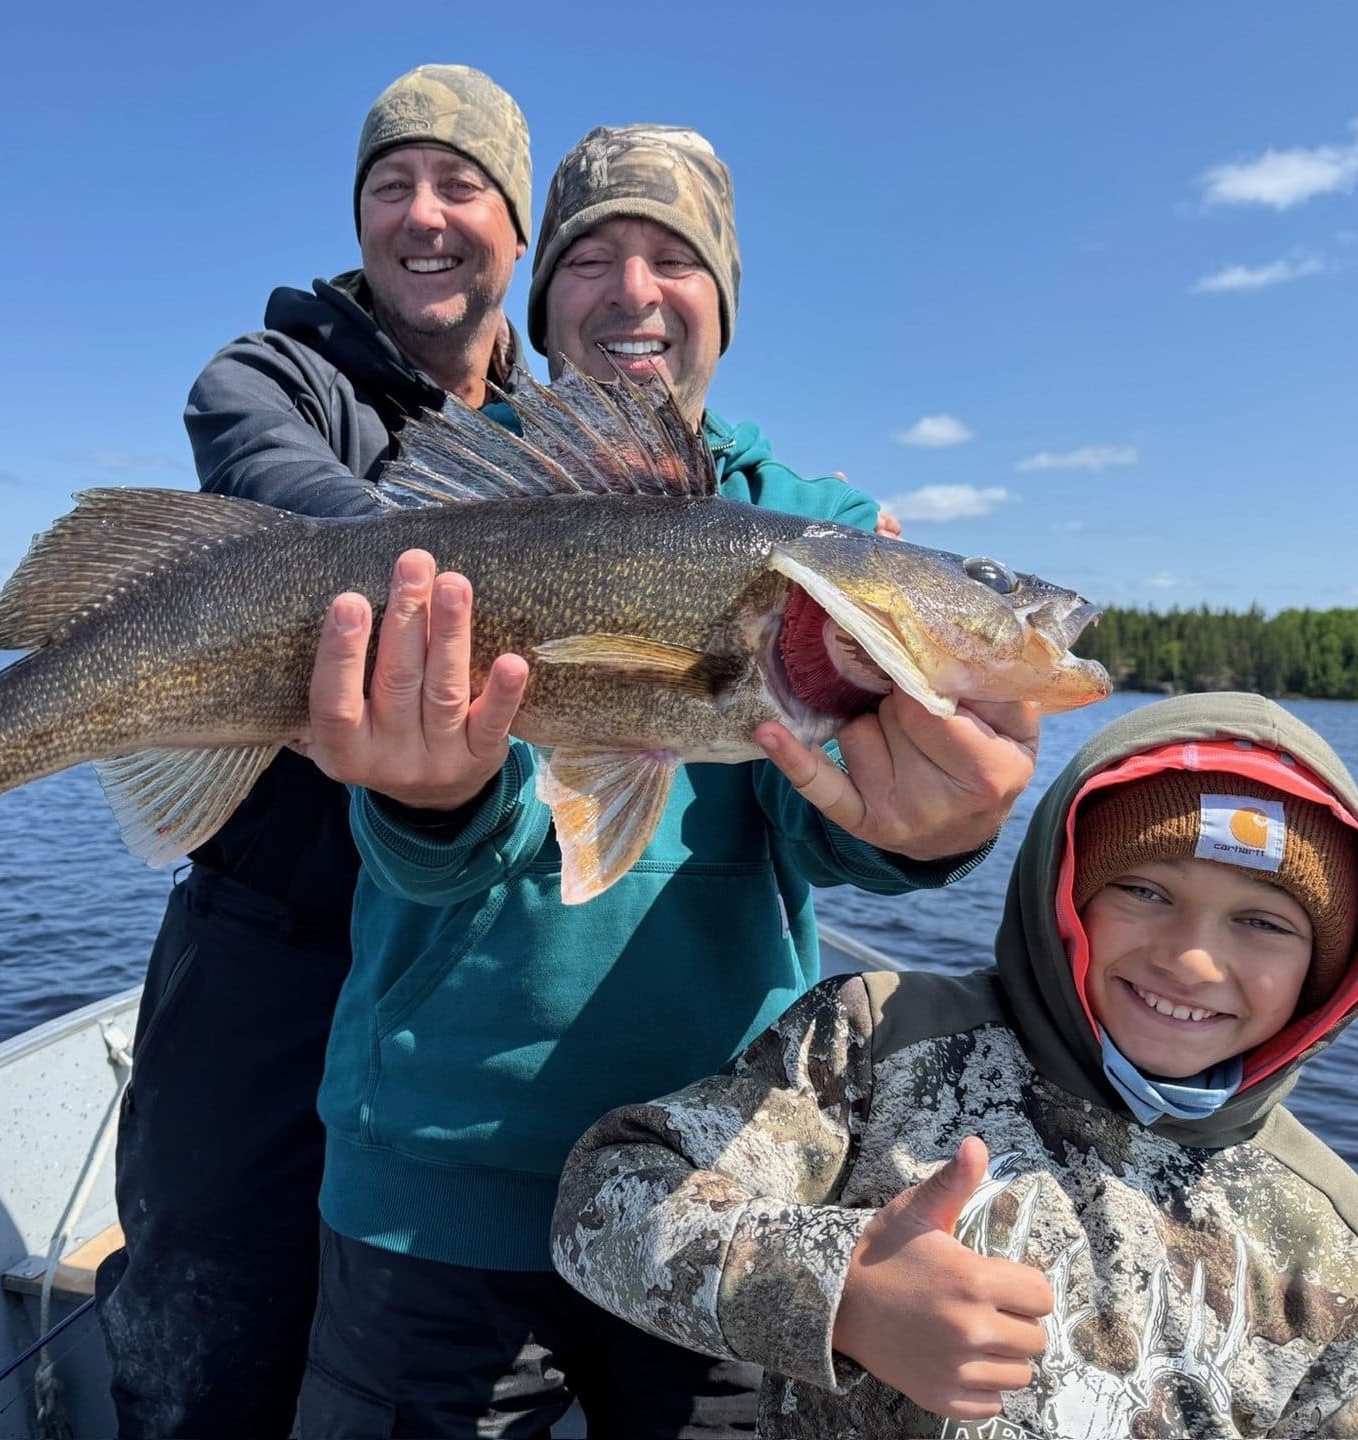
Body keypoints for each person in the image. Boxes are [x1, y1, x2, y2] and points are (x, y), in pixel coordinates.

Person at [292, 125, 1043, 1436]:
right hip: (430, 1197)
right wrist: (430, 801)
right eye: (592, 258)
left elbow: (845, 837)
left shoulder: (819, 535)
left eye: (674, 259)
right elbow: (434, 845)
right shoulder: (445, 529)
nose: (634, 291)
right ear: (543, 294)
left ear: (725, 302)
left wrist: (928, 831)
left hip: (716, 1189)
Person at [553, 691, 1358, 1438]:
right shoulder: (879, 1043)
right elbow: (606, 1197)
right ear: (1065, 892)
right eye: (1146, 892)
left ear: (1331, 965)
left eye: (1263, 923)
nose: (1192, 960)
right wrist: (841, 1290)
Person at [91, 63, 531, 1439]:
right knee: (205, 1331)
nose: (424, 212)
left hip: (455, 965)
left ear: (516, 228)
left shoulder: (561, 433)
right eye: (390, 184)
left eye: (462, 184)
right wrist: (561, 569)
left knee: (404, 1361)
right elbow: (302, 509)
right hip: (267, 947)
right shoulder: (264, 378)